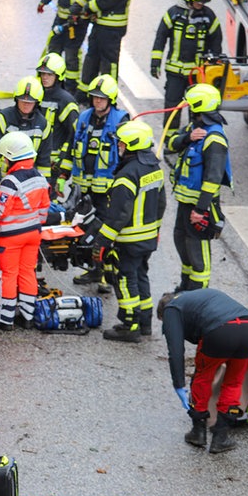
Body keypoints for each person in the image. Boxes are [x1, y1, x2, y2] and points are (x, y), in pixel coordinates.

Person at [88, 120, 166, 342]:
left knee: (125, 279)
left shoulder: (127, 175)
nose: (119, 147)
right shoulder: (154, 168)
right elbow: (161, 204)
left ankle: (129, 325)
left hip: (129, 240)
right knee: (141, 276)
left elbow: (118, 216)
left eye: (121, 143)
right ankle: (145, 323)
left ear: (132, 145)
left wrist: (102, 242)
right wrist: (156, 231)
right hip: (148, 238)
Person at [158, 288, 248, 453]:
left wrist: (179, 384)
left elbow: (175, 350)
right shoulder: (201, 298)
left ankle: (198, 433)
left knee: (203, 377)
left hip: (220, 331)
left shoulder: (172, 309)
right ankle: (221, 437)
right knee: (234, 382)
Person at [54, 74, 129, 287]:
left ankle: (108, 275)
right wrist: (62, 176)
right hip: (84, 190)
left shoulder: (121, 120)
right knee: (86, 232)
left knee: (106, 233)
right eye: (95, 97)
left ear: (111, 99)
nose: (97, 101)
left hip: (107, 192)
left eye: (102, 98)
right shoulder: (84, 117)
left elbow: (126, 155)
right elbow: (71, 147)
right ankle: (95, 270)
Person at [165, 83, 232, 291]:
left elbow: (212, 179)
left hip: (199, 208)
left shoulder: (214, 139)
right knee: (182, 245)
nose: (189, 109)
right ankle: (185, 289)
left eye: (192, 106)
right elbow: (171, 143)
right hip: (185, 204)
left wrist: (201, 210)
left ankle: (197, 297)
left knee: (198, 258)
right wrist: (187, 138)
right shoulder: (195, 129)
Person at [0, 133, 51, 330]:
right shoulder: (40, 178)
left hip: (10, 238)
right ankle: (27, 317)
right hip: (33, 234)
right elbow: (44, 210)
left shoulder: (10, 182)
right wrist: (33, 223)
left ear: (10, 156)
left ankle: (5, 320)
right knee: (27, 273)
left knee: (8, 275)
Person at [151, 0, 223, 141]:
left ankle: (195, 139)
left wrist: (214, 62)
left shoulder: (208, 16)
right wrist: (155, 63)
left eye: (203, 2)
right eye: (198, 1)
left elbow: (216, 39)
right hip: (175, 73)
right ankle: (170, 141)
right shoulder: (174, 14)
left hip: (197, 74)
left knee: (197, 109)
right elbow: (160, 38)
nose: (201, 4)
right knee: (172, 108)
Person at [37, 0, 100, 95]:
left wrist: (74, 11)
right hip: (61, 18)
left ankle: (70, 90)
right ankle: (51, 85)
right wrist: (44, 1)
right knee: (53, 49)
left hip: (77, 21)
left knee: (71, 54)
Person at [79, 0, 134, 102]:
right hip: (100, 26)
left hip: (111, 30)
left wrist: (90, 8)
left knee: (108, 65)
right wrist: (92, 8)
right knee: (91, 60)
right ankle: (84, 95)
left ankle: (108, 98)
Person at [0, 76, 53, 189]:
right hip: (3, 178)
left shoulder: (43, 125)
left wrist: (45, 186)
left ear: (37, 102)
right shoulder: (1, 119)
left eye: (30, 102)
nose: (26, 104)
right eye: (23, 100)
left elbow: (44, 161)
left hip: (29, 182)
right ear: (16, 99)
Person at [36, 53, 79, 186]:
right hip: (33, 159)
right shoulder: (36, 94)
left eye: (49, 74)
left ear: (58, 76)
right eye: (43, 74)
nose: (45, 77)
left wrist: (63, 167)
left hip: (53, 164)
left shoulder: (65, 101)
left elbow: (74, 135)